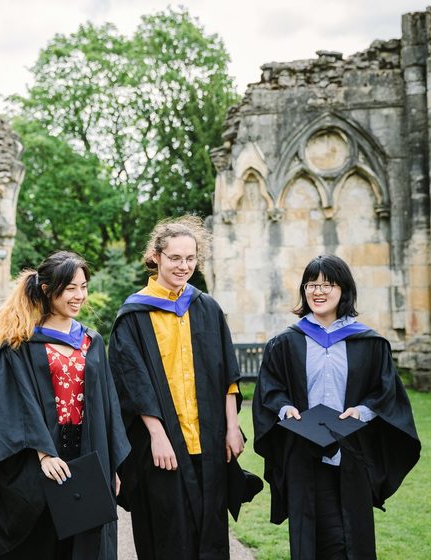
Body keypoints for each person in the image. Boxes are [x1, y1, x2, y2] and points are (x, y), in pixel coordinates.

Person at [0, 251, 130, 560]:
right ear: (47, 290)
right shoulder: (21, 344)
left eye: (83, 286)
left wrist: (111, 465)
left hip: (88, 455)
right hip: (39, 461)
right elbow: (14, 405)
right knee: (40, 544)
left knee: (86, 545)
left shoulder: (92, 342)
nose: (79, 295)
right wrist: (44, 453)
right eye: (71, 288)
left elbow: (107, 406)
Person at [252, 254, 421, 560]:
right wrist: (284, 408)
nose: (318, 291)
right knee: (313, 538)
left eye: (327, 284)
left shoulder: (368, 342)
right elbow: (270, 389)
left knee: (348, 538)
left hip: (350, 452)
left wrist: (362, 411)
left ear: (344, 290)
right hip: (303, 452)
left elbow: (384, 392)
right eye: (311, 284)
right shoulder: (287, 342)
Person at [108, 215, 245, 560]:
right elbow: (131, 383)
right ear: (156, 256)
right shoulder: (134, 315)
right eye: (175, 258)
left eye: (190, 258)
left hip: (209, 440)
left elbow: (226, 372)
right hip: (162, 445)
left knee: (210, 530)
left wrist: (232, 428)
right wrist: (156, 435)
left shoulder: (207, 308)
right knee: (168, 532)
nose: (184, 266)